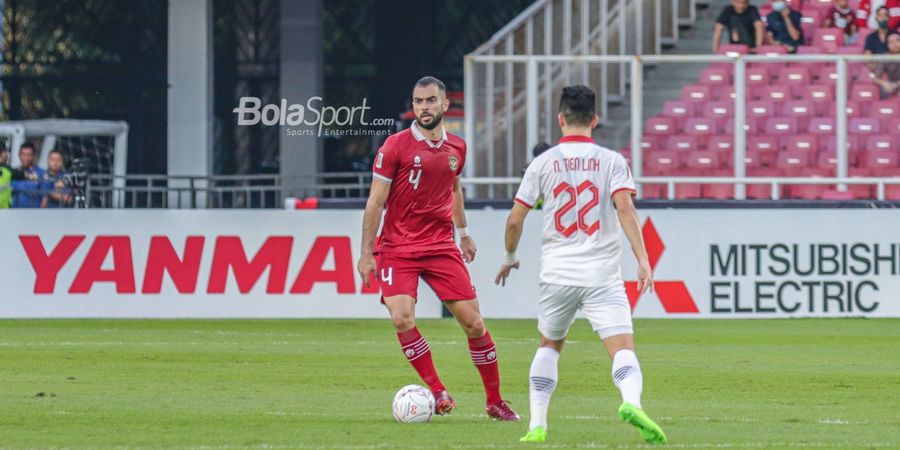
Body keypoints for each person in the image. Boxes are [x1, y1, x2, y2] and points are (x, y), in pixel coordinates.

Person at [496, 85, 666, 444]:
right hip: (602, 275)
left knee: (549, 345)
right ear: (595, 120)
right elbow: (625, 210)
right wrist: (643, 260)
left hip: (557, 274)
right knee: (622, 348)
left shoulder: (542, 163)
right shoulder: (613, 161)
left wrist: (510, 257)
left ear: (561, 120)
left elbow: (515, 220)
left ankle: (537, 426)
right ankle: (631, 403)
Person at [356, 76, 519, 421]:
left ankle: (495, 401)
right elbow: (374, 203)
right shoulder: (394, 147)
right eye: (418, 101)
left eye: (431, 101)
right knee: (402, 317)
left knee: (474, 323)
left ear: (445, 105)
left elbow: (454, 189)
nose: (424, 107)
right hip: (397, 247)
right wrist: (366, 253)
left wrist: (464, 232)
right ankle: (438, 389)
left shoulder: (457, 148)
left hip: (440, 245)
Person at [11, 142, 46, 208]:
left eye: (29, 155)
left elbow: (44, 199)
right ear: (19, 155)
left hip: (33, 214)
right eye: (23, 154)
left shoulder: (42, 173)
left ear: (34, 156)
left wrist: (40, 216)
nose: (26, 158)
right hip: (13, 214)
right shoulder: (13, 172)